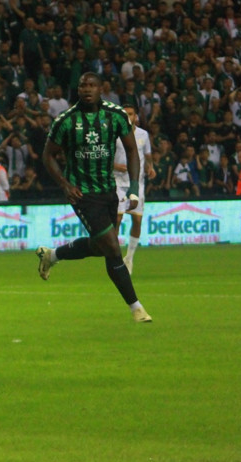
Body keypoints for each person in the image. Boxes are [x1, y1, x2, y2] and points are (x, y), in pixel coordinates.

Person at [35, 73, 152, 323]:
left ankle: (52, 255)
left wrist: (133, 186)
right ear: (78, 90)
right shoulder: (66, 121)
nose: (87, 90)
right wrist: (65, 184)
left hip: (108, 190)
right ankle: (136, 307)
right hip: (82, 193)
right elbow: (47, 156)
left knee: (102, 248)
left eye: (92, 86)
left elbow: (132, 150)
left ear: (101, 89)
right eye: (82, 86)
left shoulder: (116, 115)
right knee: (112, 247)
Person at [114, 105, 153, 275]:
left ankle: (129, 258)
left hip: (137, 183)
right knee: (117, 219)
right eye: (125, 114)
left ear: (135, 116)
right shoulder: (114, 134)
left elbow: (147, 155)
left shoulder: (143, 135)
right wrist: (116, 166)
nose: (128, 117)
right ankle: (114, 259)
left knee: (137, 221)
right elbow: (105, 157)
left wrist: (150, 167)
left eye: (130, 114)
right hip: (117, 182)